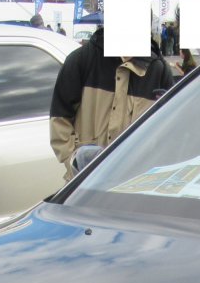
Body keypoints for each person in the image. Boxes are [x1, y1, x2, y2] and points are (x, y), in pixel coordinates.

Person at [49, 24, 175, 179]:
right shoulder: (82, 60)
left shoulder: (158, 71)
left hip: (134, 186)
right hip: (85, 186)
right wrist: (74, 162)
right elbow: (60, 120)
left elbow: (170, 131)